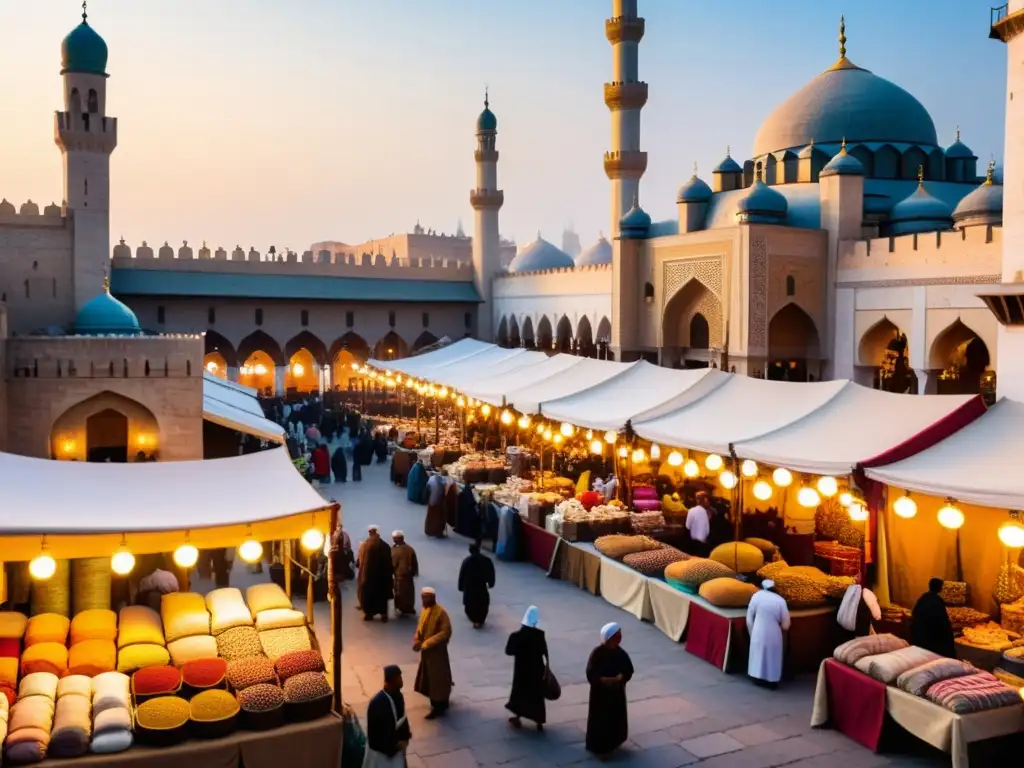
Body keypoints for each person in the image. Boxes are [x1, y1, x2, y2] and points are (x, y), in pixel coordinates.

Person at [585, 622, 633, 757]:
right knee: (601, 722)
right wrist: (603, 680)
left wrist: (620, 678)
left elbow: (628, 670)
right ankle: (600, 749)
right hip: (600, 696)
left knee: (615, 720)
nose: (619, 639)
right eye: (616, 636)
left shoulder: (620, 653)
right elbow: (590, 673)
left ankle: (614, 742)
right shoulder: (597, 653)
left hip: (616, 694)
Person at [505, 605, 548, 732]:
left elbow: (508, 651)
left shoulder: (516, 636)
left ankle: (518, 716)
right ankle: (539, 720)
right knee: (536, 695)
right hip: (536, 670)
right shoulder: (539, 636)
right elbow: (544, 652)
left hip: (521, 670)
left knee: (520, 692)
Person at [413, 587, 453, 719]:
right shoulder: (425, 610)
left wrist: (428, 643)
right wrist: (417, 639)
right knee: (430, 679)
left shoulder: (441, 613)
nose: (425, 600)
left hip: (437, 654)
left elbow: (445, 632)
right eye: (423, 597)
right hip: (427, 654)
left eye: (427, 597)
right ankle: (439, 702)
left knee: (438, 679)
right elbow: (420, 627)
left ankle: (438, 706)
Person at [746, 579, 791, 689]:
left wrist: (752, 633)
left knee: (758, 654)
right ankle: (772, 681)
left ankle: (756, 677)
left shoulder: (756, 596)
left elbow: (749, 618)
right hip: (774, 633)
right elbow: (786, 625)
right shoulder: (780, 601)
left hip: (758, 630)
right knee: (772, 656)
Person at [363, 665, 411, 767]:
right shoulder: (377, 704)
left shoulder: (398, 696)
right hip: (383, 757)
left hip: (397, 751)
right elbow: (375, 737)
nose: (401, 680)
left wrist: (405, 738)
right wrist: (395, 747)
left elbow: (402, 719)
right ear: (390, 682)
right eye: (399, 678)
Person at [911, 577, 956, 658]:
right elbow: (943, 621)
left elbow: (914, 612)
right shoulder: (937, 601)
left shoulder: (924, 597)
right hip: (931, 636)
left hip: (919, 634)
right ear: (939, 588)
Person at [357, 526, 394, 622]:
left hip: (368, 576)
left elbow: (360, 562)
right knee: (382, 595)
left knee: (369, 594)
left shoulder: (364, 545)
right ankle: (383, 614)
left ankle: (369, 613)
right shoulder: (384, 545)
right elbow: (389, 563)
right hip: (382, 576)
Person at [457, 541, 496, 628]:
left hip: (469, 587)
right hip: (481, 586)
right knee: (482, 603)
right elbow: (491, 572)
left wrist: (461, 586)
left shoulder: (467, 561)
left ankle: (475, 619)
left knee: (470, 605)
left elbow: (462, 575)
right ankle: (480, 619)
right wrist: (491, 583)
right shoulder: (486, 560)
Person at [391, 531, 419, 618]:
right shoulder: (410, 549)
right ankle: (408, 608)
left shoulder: (394, 551)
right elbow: (415, 564)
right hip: (408, 577)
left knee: (399, 592)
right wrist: (414, 572)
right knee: (409, 593)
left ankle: (400, 607)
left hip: (399, 576)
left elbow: (392, 564)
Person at [685, 491, 712, 556]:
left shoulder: (691, 510)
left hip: (694, 543)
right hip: (707, 542)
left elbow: (687, 526)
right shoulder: (711, 511)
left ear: (697, 500)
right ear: (706, 500)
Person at [424, 470, 448, 538]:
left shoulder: (431, 479)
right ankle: (439, 532)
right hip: (439, 502)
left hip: (432, 500)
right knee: (439, 517)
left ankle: (430, 531)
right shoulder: (444, 481)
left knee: (431, 517)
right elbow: (444, 493)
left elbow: (427, 490)